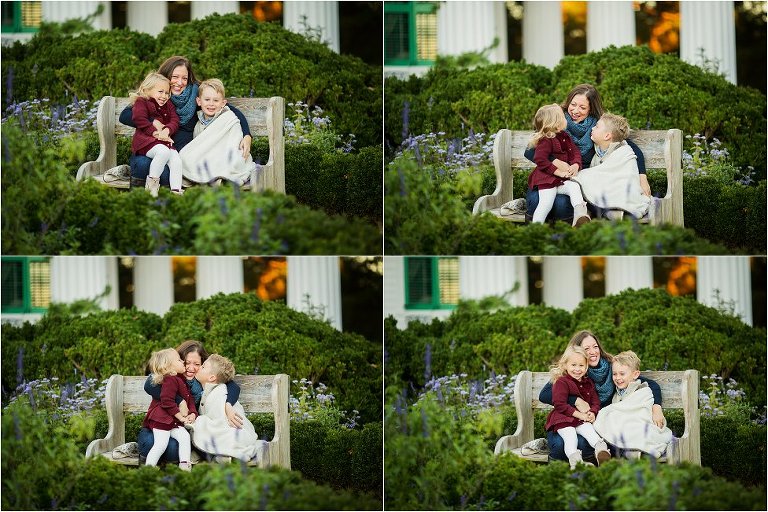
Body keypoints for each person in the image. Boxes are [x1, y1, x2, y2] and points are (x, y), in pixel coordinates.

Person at [119, 56, 253, 188]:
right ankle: (141, 199)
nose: (179, 82)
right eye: (175, 77)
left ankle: (165, 197)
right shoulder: (156, 93)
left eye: (184, 78)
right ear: (166, 76)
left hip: (181, 156)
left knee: (167, 172)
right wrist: (153, 121)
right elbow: (125, 115)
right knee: (144, 165)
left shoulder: (197, 95)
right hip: (152, 148)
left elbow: (231, 110)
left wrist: (247, 135)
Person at [524, 84, 651, 221]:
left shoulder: (598, 129)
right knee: (536, 201)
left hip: (576, 179)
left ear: (591, 109)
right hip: (547, 175)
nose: (575, 111)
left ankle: (573, 229)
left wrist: (642, 178)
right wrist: (555, 161)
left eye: (582, 107)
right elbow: (530, 150)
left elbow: (631, 148)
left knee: (562, 205)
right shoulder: (556, 119)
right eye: (573, 104)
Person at [539, 331, 665, 463]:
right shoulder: (573, 370)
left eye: (595, 347)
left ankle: (589, 468)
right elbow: (545, 394)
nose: (593, 352)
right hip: (565, 420)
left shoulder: (612, 368)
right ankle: (564, 470)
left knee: (584, 444)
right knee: (560, 445)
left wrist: (656, 407)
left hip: (592, 421)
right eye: (586, 349)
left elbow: (651, 384)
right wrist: (576, 400)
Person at [137, 340, 244, 465]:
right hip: (158, 425)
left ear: (203, 364)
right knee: (151, 443)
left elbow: (233, 385)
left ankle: (175, 468)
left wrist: (228, 404)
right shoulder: (169, 375)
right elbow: (149, 384)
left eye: (197, 364)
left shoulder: (203, 380)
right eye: (186, 362)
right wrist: (180, 401)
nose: (191, 368)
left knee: (173, 447)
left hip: (181, 427)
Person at [593, 351, 674, 459]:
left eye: (622, 374)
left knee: (637, 430)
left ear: (635, 374)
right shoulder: (616, 392)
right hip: (624, 430)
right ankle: (631, 452)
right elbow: (617, 411)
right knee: (615, 427)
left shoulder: (643, 390)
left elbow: (642, 412)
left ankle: (634, 452)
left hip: (639, 425)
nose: (617, 378)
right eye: (614, 374)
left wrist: (656, 407)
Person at [572, 112, 652, 219]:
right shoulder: (598, 153)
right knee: (589, 195)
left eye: (597, 126)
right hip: (606, 194)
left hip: (623, 193)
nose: (593, 128)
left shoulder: (624, 152)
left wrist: (581, 175)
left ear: (607, 136)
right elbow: (597, 177)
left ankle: (613, 212)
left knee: (583, 181)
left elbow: (626, 177)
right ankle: (608, 212)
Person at [189, 354, 266, 462]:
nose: (199, 368)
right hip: (232, 431)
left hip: (236, 430)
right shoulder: (209, 391)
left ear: (212, 378)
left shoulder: (219, 392)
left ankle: (224, 454)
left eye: (203, 366)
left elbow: (219, 420)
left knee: (200, 423)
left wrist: (199, 421)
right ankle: (219, 455)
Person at [179, 78, 257, 186]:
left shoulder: (229, 118)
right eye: (207, 100)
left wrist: (247, 136)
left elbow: (234, 141)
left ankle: (217, 177)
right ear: (199, 101)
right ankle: (211, 177)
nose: (211, 104)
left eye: (216, 100)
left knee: (233, 161)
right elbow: (200, 148)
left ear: (223, 103)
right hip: (208, 158)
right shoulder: (198, 123)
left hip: (226, 156)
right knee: (184, 157)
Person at [545, 345, 612, 469]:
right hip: (563, 420)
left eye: (581, 365)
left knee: (591, 433)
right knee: (571, 438)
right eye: (573, 365)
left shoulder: (588, 383)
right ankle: (576, 464)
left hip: (581, 420)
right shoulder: (561, 382)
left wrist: (593, 412)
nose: (577, 369)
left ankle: (602, 453)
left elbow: (595, 402)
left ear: (586, 367)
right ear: (565, 365)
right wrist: (580, 415)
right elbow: (559, 404)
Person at [527, 103, 591, 226]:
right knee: (545, 204)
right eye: (562, 116)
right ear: (556, 124)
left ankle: (580, 215)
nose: (565, 118)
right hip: (546, 180)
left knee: (574, 187)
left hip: (560, 181)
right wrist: (559, 172)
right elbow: (540, 159)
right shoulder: (545, 140)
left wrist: (576, 164)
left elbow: (575, 152)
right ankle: (535, 229)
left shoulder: (564, 136)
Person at [141, 348, 197, 470]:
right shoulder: (169, 380)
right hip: (162, 420)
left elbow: (189, 398)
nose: (183, 361)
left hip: (172, 422)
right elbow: (167, 402)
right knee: (160, 445)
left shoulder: (179, 379)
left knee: (184, 437)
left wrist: (192, 413)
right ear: (168, 367)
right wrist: (181, 417)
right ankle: (148, 470)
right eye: (179, 360)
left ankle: (185, 466)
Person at [129, 72, 183, 197]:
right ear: (147, 90)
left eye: (167, 93)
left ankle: (176, 192)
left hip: (164, 141)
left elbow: (175, 120)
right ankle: (151, 188)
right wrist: (154, 132)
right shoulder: (142, 102)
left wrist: (167, 130)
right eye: (160, 92)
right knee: (163, 152)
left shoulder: (168, 104)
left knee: (176, 161)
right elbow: (139, 118)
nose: (164, 96)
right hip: (145, 142)